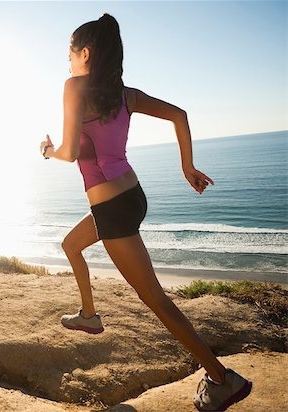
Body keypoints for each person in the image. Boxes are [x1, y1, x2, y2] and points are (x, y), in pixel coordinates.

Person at [39, 14, 251, 411]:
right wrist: (186, 167)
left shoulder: (73, 87)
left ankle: (222, 378)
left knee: (155, 298)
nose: (67, 63)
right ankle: (89, 314)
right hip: (131, 196)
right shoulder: (126, 94)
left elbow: (68, 153)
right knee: (71, 245)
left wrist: (47, 149)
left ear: (85, 54)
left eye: (69, 54)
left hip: (112, 210)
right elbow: (180, 115)